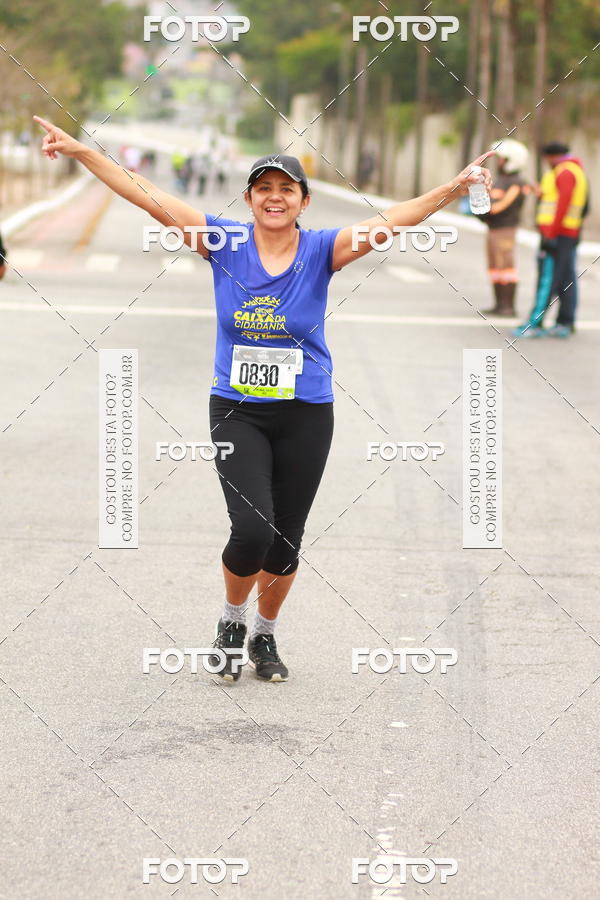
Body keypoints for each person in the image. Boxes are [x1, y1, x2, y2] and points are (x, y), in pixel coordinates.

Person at [32, 115, 492, 683]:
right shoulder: (222, 242)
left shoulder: (324, 249)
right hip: (236, 409)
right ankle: (230, 621)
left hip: (306, 411)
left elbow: (394, 220)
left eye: (287, 189)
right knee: (252, 530)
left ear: (302, 201)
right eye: (264, 189)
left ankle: (265, 635)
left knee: (286, 539)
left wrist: (454, 186)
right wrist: (83, 152)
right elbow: (145, 193)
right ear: (249, 199)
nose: (275, 198)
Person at [514, 141, 589, 338]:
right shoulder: (573, 170)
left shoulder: (565, 172)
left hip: (557, 234)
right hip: (567, 233)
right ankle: (565, 322)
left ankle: (535, 324)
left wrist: (550, 234)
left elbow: (563, 204)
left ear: (551, 156)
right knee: (566, 278)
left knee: (549, 279)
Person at [478, 139, 529, 316]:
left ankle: (508, 306)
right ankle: (499, 304)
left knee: (506, 266)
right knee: (495, 267)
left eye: (503, 158)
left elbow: (499, 206)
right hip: (493, 228)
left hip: (505, 230)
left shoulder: (517, 182)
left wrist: (485, 208)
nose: (499, 162)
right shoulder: (502, 180)